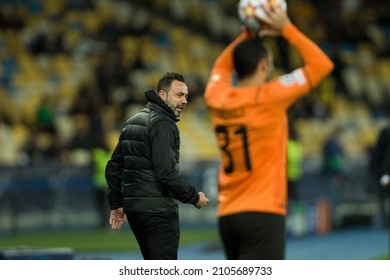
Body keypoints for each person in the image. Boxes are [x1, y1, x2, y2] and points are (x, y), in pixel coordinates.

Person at [204, 5, 334, 259]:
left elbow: (220, 69)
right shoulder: (269, 97)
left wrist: (247, 33)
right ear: (263, 65)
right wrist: (285, 27)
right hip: (263, 213)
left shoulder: (216, 97)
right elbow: (321, 64)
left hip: (228, 215)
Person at [105, 72, 209, 260]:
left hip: (136, 212)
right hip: (158, 211)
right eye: (179, 95)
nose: (185, 101)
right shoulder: (163, 123)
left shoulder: (132, 122)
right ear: (162, 95)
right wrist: (194, 197)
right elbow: (166, 173)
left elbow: (113, 167)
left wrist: (117, 204)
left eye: (186, 96)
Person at [369, 124, 390, 228]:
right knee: (383, 198)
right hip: (385, 175)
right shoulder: (386, 133)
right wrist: (384, 177)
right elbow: (376, 160)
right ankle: (384, 221)